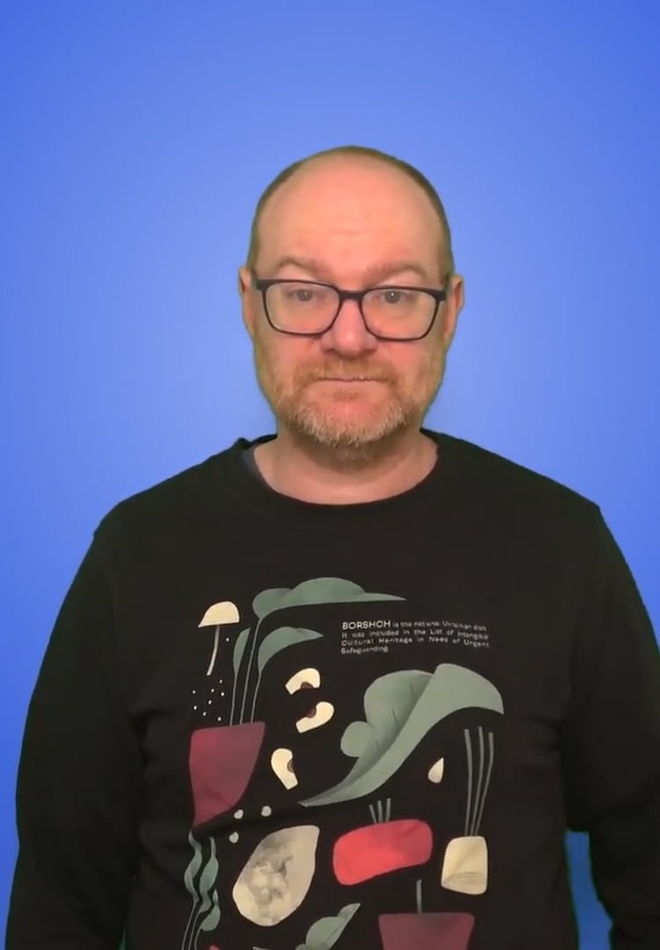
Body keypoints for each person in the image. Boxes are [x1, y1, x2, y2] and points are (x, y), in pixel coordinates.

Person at [5, 145, 660, 950]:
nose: (349, 337)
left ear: (451, 310)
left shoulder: (559, 545)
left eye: (395, 294)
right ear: (249, 303)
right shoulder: (138, 553)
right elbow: (59, 904)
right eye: (304, 292)